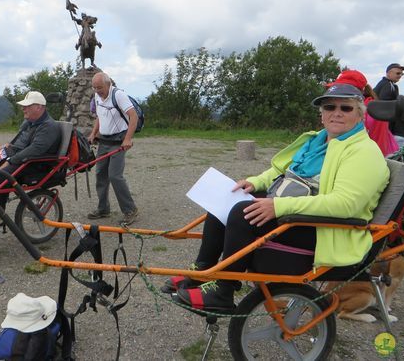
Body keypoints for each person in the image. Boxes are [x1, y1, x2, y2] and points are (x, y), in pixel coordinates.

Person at [166, 83, 389, 311]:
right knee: (227, 198)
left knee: (242, 214)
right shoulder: (317, 141)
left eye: (346, 108)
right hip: (301, 214)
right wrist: (255, 182)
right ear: (321, 114)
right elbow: (281, 171)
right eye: (329, 106)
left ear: (360, 114)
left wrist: (278, 206)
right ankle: (202, 273)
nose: (337, 112)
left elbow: (345, 205)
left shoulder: (363, 152)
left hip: (330, 230)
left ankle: (223, 292)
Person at [0, 91, 61, 226]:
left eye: (27, 106)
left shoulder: (49, 126)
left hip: (36, 163)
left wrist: (10, 160)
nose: (23, 108)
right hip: (22, 157)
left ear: (39, 107)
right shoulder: (30, 122)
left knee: (2, 174)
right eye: (24, 106)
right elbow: (21, 141)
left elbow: (35, 150)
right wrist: (8, 146)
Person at [87, 72, 139, 226]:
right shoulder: (97, 96)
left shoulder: (119, 95)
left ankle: (130, 210)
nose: (97, 91)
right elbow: (99, 116)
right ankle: (103, 208)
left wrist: (128, 139)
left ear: (108, 84)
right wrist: (93, 133)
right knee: (100, 174)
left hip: (118, 141)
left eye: (100, 87)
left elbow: (133, 116)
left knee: (115, 176)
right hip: (104, 140)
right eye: (95, 88)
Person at [328, 69, 398, 156]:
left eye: (345, 90)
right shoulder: (365, 107)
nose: (339, 93)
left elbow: (379, 146)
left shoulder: (373, 111)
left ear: (361, 91)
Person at [374, 63, 404, 146]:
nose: (400, 76)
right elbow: (384, 106)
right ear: (389, 73)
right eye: (398, 73)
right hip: (385, 127)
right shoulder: (387, 85)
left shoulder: (389, 84)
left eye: (402, 74)